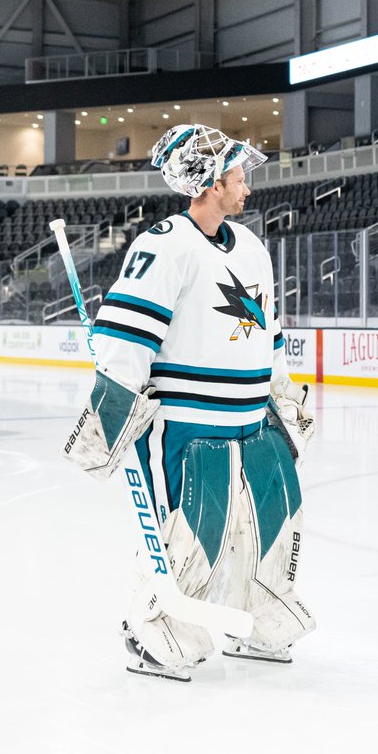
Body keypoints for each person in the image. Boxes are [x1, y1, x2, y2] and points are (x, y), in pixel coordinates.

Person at [63, 124, 317, 680]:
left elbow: (269, 335)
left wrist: (283, 395)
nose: (246, 183)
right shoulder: (163, 245)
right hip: (193, 424)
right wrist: (109, 419)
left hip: (256, 422)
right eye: (236, 172)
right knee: (195, 532)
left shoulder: (250, 247)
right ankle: (159, 632)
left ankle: (266, 620)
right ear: (207, 181)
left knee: (275, 525)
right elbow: (126, 345)